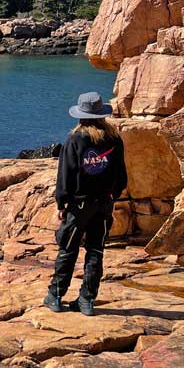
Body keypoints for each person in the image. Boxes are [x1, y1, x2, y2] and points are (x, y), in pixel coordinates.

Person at [44, 92, 127, 316]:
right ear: (101, 114)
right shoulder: (114, 139)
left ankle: (55, 295)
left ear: (81, 115)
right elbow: (121, 176)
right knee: (95, 251)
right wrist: (112, 197)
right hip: (103, 205)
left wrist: (61, 203)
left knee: (67, 249)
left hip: (79, 205)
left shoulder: (75, 139)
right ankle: (86, 300)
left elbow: (65, 176)